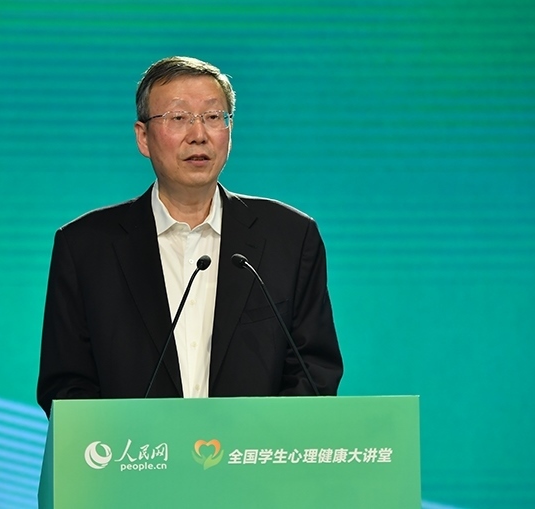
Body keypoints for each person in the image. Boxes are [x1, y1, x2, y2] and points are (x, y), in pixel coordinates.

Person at [37, 56, 342, 417]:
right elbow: (67, 386)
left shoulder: (290, 238)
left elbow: (314, 373)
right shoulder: (85, 248)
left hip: (255, 452)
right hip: (137, 451)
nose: (199, 134)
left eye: (213, 117)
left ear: (230, 130)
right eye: (178, 118)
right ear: (143, 137)